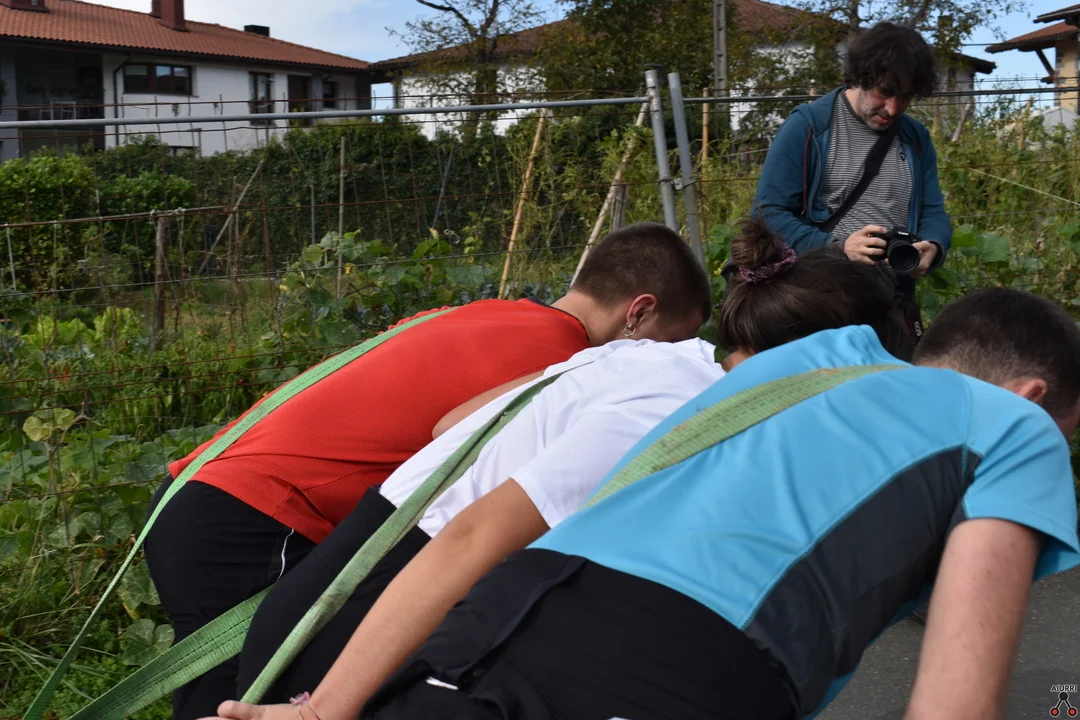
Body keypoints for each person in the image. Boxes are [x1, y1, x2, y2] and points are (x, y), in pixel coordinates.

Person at [202, 218, 915, 720]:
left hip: (349, 568)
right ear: (823, 362)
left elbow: (455, 425)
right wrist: (326, 708)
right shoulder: (676, 407)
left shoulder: (647, 357)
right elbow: (475, 536)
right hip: (377, 612)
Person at [346, 288, 1080, 720]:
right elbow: (956, 702)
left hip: (503, 614)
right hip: (684, 667)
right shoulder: (1017, 426)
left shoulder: (815, 358)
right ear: (1033, 396)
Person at [142, 221, 712, 720]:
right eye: (674, 340)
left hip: (200, 488)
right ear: (639, 312)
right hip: (262, 513)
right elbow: (454, 433)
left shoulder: (489, 313)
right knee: (251, 698)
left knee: (222, 694)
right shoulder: (566, 356)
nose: (664, 357)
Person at [752, 21, 952, 341]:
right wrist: (837, 247)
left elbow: (932, 211)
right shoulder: (810, 126)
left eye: (905, 97)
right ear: (861, 76)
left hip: (890, 306)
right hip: (818, 306)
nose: (893, 108)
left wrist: (934, 244)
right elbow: (767, 213)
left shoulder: (915, 138)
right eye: (885, 92)